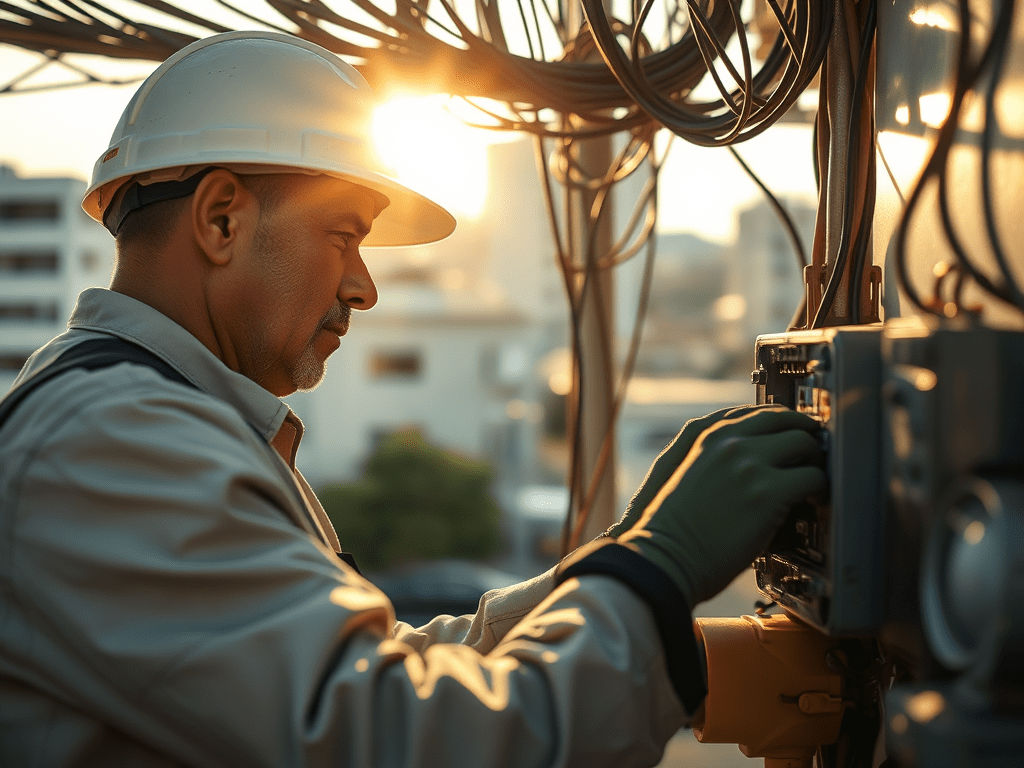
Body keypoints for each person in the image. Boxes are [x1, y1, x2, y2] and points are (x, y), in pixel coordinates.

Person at [0, 31, 826, 767]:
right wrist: (657, 569)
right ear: (221, 219)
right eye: (344, 236)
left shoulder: (163, 421)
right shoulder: (118, 443)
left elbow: (380, 669)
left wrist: (616, 558)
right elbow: (409, 740)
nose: (363, 288)